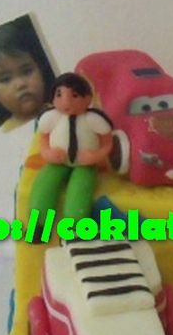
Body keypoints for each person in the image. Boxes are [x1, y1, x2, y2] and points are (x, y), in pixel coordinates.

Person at [29, 73, 113, 236]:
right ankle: (39, 227)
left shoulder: (94, 119)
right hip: (57, 161)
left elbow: (107, 142)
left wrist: (95, 156)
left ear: (88, 97)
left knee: (79, 193)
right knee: (43, 187)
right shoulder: (50, 118)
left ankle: (75, 231)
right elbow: (43, 137)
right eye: (59, 95)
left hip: (85, 164)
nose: (66, 102)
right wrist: (47, 152)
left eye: (74, 95)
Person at [0, 24, 53, 131]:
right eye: (6, 79)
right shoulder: (3, 133)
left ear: (40, 71)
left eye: (27, 71)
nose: (21, 84)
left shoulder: (63, 110)